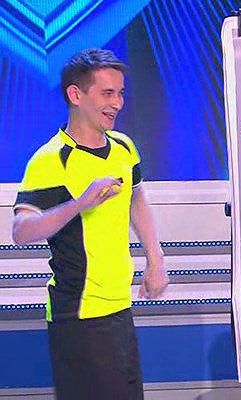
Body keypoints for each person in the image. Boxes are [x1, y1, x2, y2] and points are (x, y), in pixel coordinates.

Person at [11, 48, 168, 400]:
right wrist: (79, 204)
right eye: (107, 93)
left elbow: (136, 199)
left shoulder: (124, 147)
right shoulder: (51, 160)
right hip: (79, 313)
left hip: (119, 307)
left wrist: (155, 260)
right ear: (76, 94)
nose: (117, 103)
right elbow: (21, 232)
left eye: (121, 93)